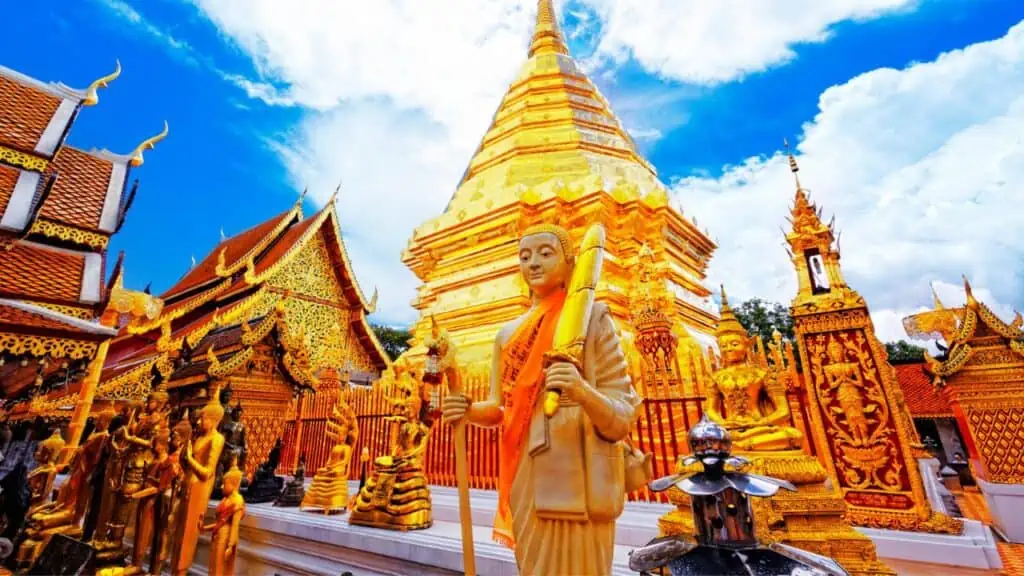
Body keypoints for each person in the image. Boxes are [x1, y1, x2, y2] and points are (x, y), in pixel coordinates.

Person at [442, 223, 638, 575]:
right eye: (524, 256)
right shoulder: (507, 335)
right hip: (525, 472)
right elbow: (500, 408)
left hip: (580, 476)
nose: (533, 263)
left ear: (570, 262)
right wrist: (469, 409)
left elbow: (623, 414)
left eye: (546, 253)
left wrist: (581, 391)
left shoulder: (593, 319)